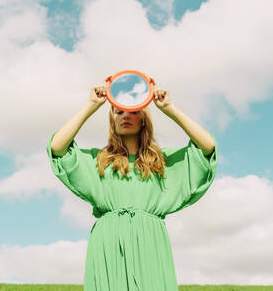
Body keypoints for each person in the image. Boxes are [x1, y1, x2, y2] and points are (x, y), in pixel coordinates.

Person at [46, 79, 218, 291]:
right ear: (112, 122)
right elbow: (57, 147)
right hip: (108, 242)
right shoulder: (98, 161)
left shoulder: (161, 163)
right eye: (118, 112)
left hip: (150, 242)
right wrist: (90, 106)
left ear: (144, 120)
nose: (125, 115)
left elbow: (207, 146)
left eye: (133, 111)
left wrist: (169, 109)